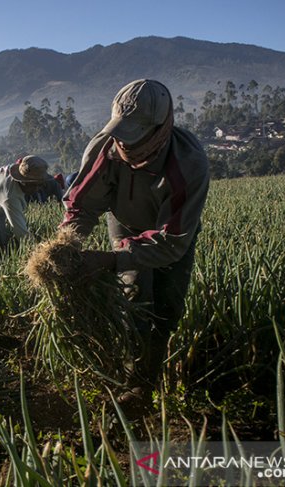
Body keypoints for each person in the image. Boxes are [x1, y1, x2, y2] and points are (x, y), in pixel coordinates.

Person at [59, 79, 210, 383]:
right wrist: (67, 242)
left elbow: (172, 241)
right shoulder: (105, 146)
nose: (125, 144)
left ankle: (150, 373)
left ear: (161, 128)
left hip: (171, 236)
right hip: (125, 222)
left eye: (135, 135)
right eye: (121, 134)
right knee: (135, 298)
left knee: (167, 308)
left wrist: (109, 260)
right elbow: (81, 203)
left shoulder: (188, 163)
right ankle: (133, 380)